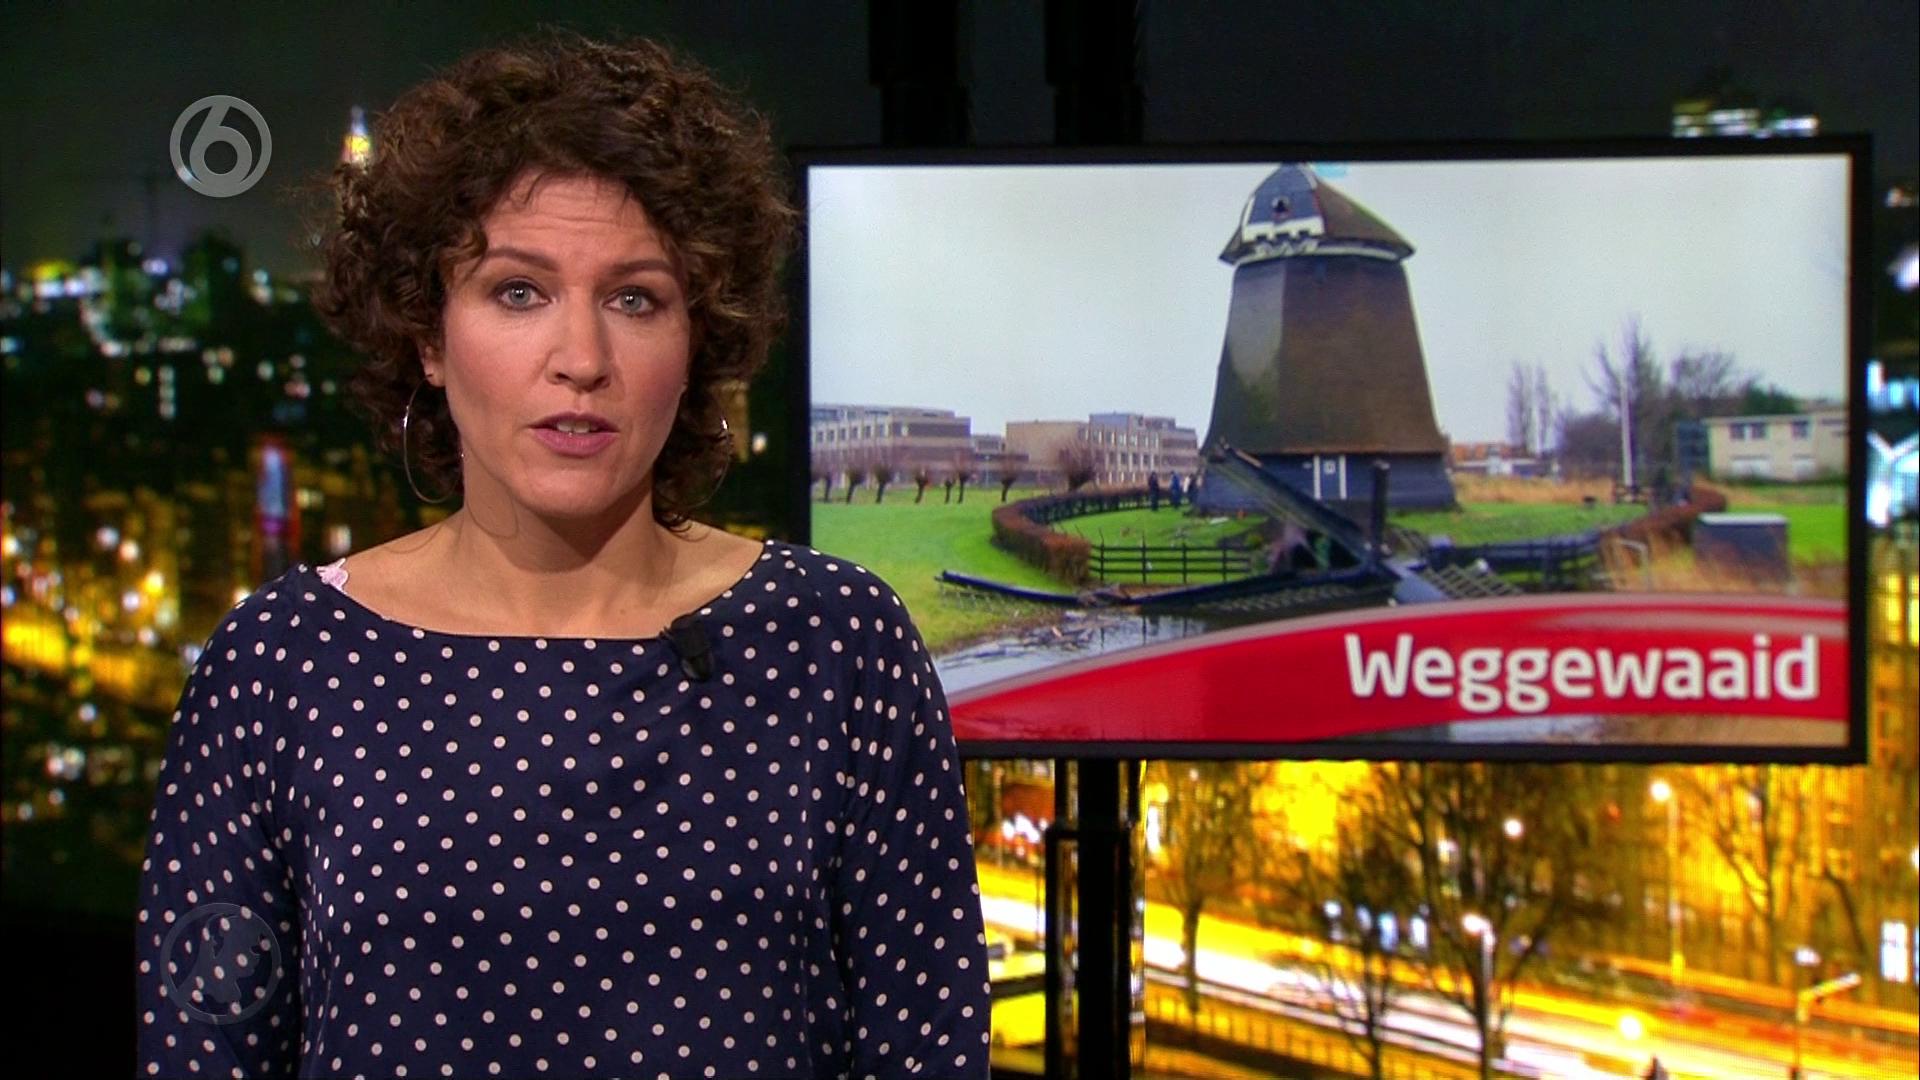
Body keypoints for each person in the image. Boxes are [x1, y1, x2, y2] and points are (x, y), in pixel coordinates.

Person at [134, 28, 991, 1080]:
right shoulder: (281, 661)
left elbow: (928, 1043)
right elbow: (203, 1049)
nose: (581, 359)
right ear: (429, 337)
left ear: (698, 343)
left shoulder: (836, 642)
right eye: (518, 292)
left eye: (636, 299)